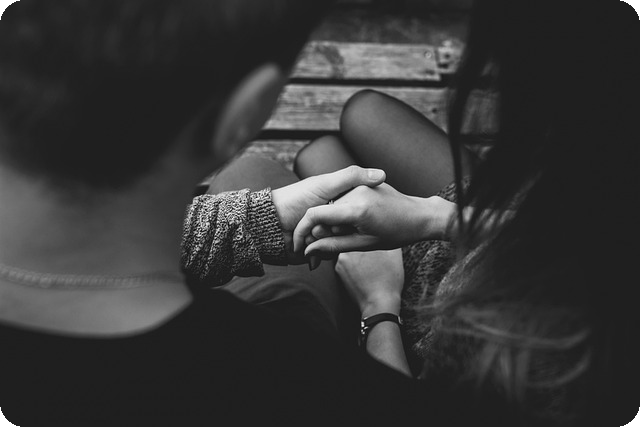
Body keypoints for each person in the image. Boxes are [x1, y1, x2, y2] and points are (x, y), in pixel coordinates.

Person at [0, 1, 427, 425]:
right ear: (245, 113)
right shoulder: (327, 391)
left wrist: (258, 222)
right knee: (255, 172)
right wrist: (379, 308)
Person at [293, 0, 639, 425]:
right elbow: (577, 234)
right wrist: (435, 216)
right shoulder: (608, 182)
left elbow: (407, 412)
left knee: (320, 159)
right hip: (490, 236)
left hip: (426, 304)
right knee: (363, 113)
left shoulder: (496, 341)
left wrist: (377, 303)